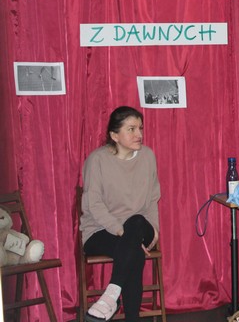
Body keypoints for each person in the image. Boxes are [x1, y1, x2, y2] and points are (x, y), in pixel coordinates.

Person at [80, 106, 161, 321]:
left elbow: (153, 199)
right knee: (133, 251)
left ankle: (111, 295)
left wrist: (154, 232)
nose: (139, 134)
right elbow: (94, 205)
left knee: (136, 222)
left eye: (140, 128)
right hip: (100, 231)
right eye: (131, 129)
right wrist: (123, 233)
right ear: (114, 135)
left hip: (140, 227)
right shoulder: (97, 160)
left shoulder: (147, 156)